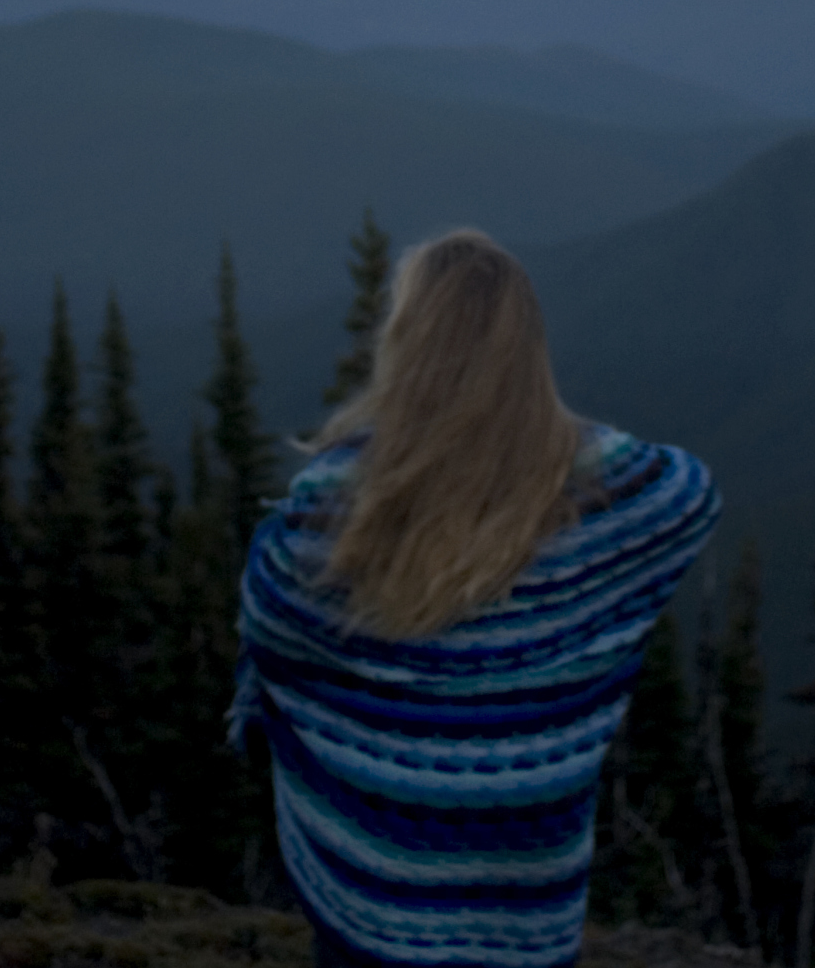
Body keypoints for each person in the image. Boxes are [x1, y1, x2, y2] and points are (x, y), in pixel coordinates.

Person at [230, 228, 720, 968]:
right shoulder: (602, 498)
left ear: (406, 344)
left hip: (371, 901)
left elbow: (271, 629)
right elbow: (690, 490)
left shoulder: (330, 507)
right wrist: (566, 442)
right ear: (527, 349)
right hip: (526, 905)